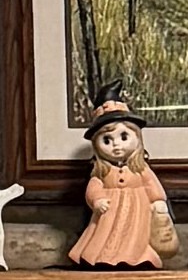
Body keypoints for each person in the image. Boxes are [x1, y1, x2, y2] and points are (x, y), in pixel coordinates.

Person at [68, 92, 176, 267]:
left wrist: (158, 201)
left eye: (124, 137)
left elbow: (152, 184)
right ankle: (103, 258)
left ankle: (137, 258)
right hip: (109, 213)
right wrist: (97, 200)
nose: (116, 145)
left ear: (137, 138)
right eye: (107, 140)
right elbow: (94, 187)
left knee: (135, 236)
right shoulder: (102, 171)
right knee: (105, 235)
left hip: (137, 212)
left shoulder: (140, 168)